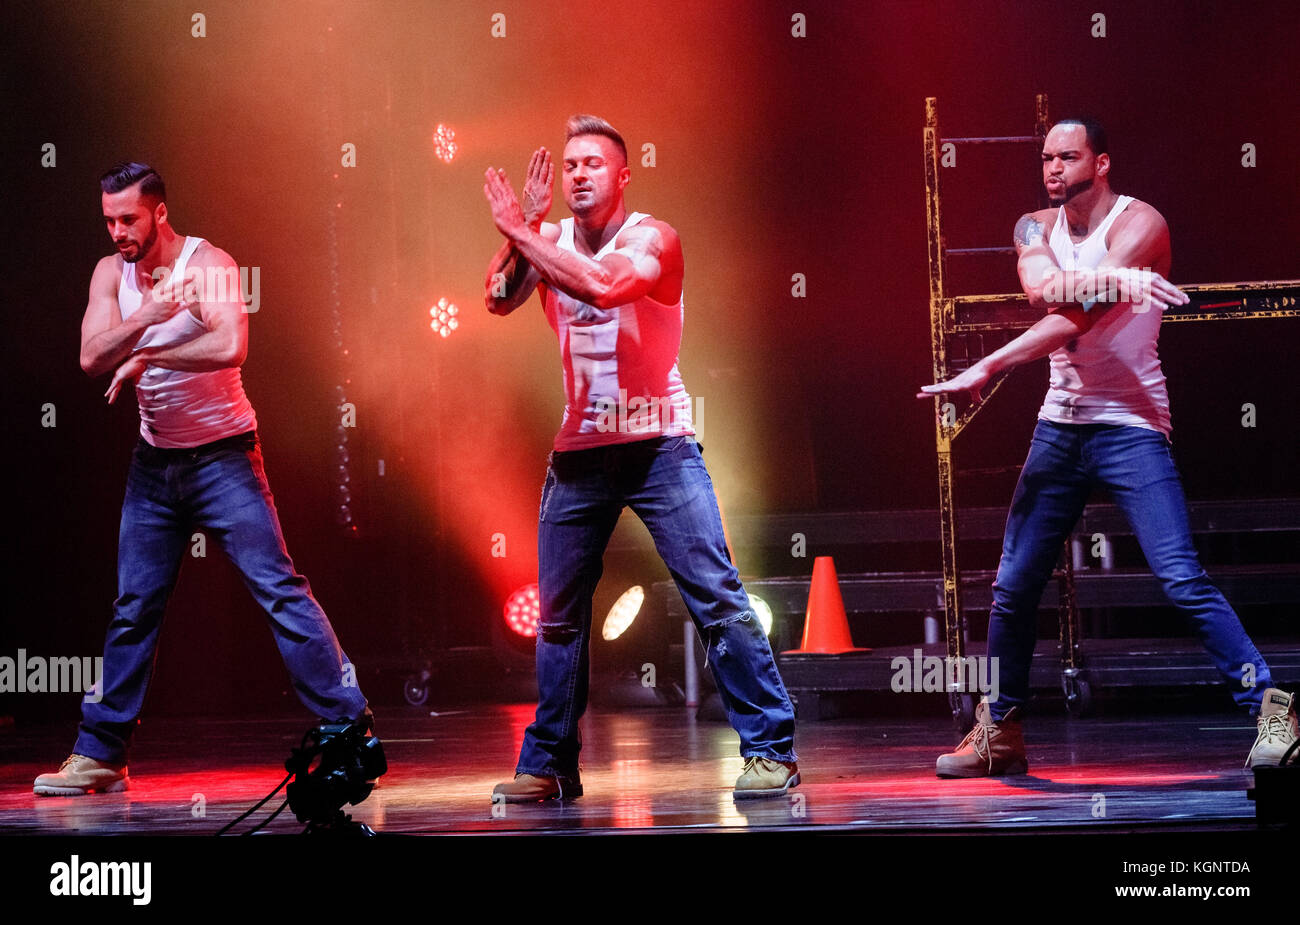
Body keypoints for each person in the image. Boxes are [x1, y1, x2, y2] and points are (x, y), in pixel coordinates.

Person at [917, 118, 1296, 776]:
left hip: (1131, 423)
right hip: (1059, 425)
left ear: (1103, 160)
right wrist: (1116, 282)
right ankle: (999, 729)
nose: (1053, 168)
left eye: (1068, 156)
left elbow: (1078, 311)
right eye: (1046, 158)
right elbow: (1043, 292)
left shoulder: (1140, 221)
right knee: (1012, 585)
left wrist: (990, 364)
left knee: (1180, 578)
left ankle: (1275, 710)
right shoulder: (1033, 226)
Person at [481, 115, 798, 801]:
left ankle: (771, 749)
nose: (579, 175)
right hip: (579, 454)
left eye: (594, 163)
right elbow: (497, 299)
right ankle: (549, 764)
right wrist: (526, 230)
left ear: (623, 176)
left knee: (716, 595)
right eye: (569, 165)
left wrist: (522, 232)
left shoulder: (655, 238)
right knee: (559, 615)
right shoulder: (546, 238)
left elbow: (602, 286)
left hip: (660, 447)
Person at [34, 163, 371, 796]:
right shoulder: (109, 274)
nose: (117, 232)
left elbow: (229, 347)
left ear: (159, 213)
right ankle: (101, 753)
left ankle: (353, 731)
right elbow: (88, 356)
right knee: (133, 606)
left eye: (128, 219)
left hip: (224, 458)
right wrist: (148, 318)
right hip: (155, 466)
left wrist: (148, 354)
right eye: (108, 219)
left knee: (279, 588)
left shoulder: (209, 263)